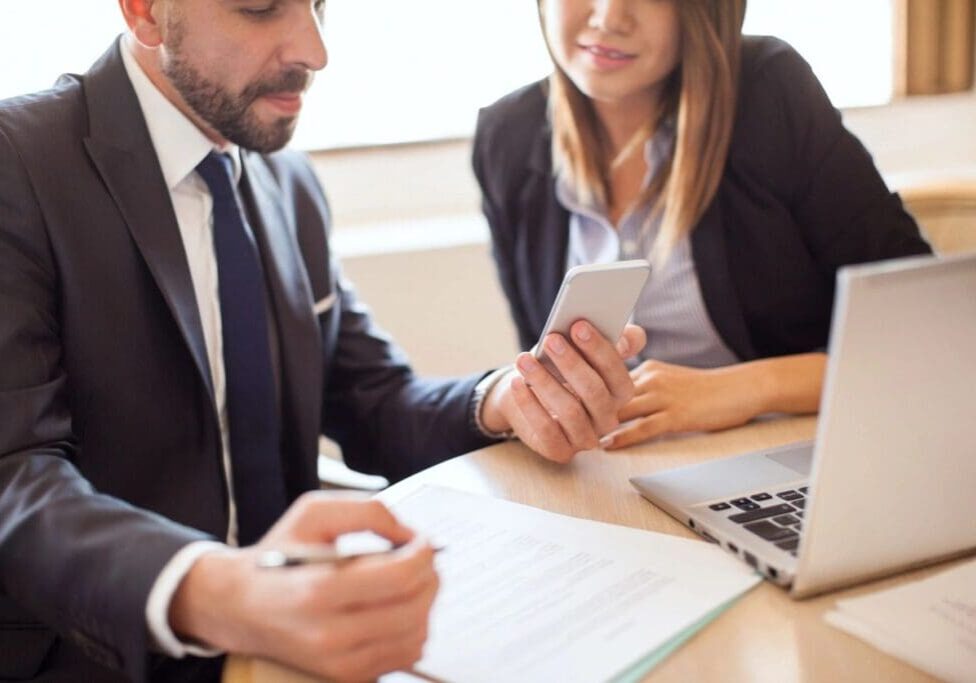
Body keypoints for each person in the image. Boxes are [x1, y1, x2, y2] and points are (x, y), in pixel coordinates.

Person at [0, 1, 646, 681]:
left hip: (295, 646)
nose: (315, 49)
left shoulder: (286, 181)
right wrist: (219, 590)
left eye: (318, 5)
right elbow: (14, 476)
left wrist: (502, 400)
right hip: (96, 655)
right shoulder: (20, 165)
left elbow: (374, 398)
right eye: (260, 8)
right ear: (147, 13)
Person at [472, 0, 932, 450]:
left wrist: (744, 388)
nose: (609, 15)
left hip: (785, 451)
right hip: (608, 468)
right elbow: (542, 372)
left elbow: (927, 334)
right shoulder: (505, 136)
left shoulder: (770, 89)